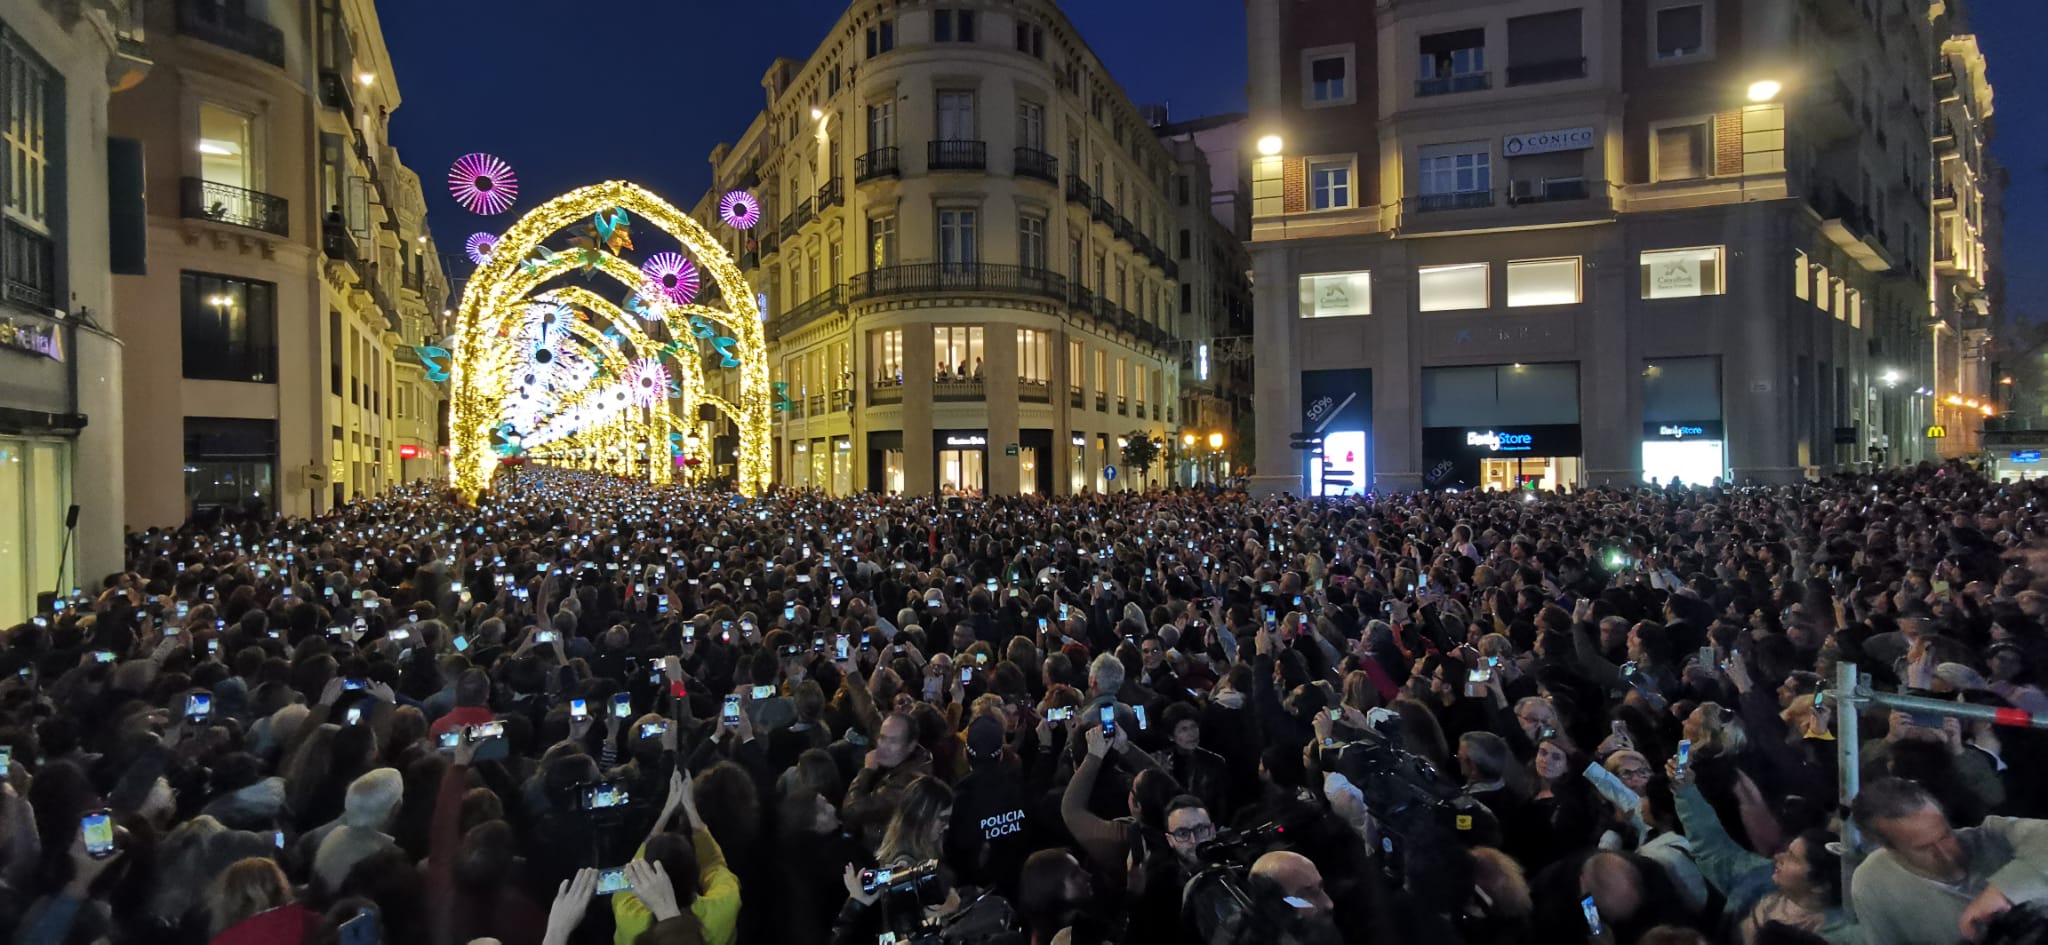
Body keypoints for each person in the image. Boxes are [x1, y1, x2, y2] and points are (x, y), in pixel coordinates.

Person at [1848, 776, 2048, 944]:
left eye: (1946, 835)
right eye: (1924, 848)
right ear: (1886, 846)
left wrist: (2003, 891)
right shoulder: (1872, 882)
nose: (1945, 853)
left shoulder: (1994, 837)